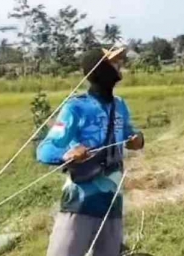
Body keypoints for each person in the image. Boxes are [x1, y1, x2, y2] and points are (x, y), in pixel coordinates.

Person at [37, 47, 144, 256]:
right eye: (113, 62)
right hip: (80, 203)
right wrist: (67, 155)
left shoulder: (120, 106)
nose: (120, 65)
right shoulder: (76, 108)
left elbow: (131, 136)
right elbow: (45, 150)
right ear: (99, 69)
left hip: (112, 205)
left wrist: (137, 140)